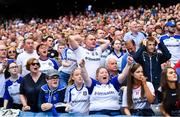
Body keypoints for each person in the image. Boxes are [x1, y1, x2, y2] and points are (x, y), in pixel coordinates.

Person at [133, 36, 171, 103]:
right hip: (146, 85)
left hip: (157, 86)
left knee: (157, 105)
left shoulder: (158, 56)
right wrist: (143, 46)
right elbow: (135, 57)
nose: (152, 47)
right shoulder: (142, 56)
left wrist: (159, 43)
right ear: (146, 45)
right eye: (149, 45)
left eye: (153, 44)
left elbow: (168, 55)